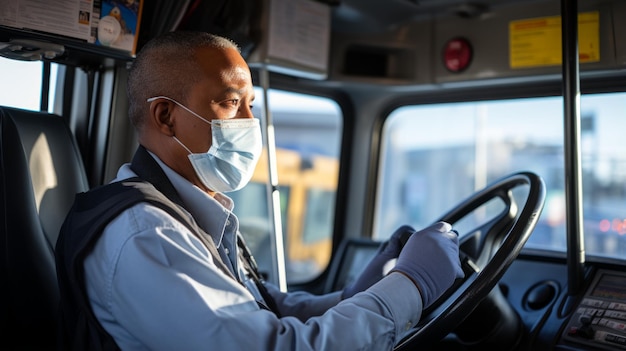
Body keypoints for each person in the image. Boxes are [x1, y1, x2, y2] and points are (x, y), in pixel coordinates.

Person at [55, 31, 464, 351]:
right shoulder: (146, 234)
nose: (251, 122)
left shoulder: (190, 214)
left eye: (252, 104)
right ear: (166, 117)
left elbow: (265, 310)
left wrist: (353, 295)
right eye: (232, 103)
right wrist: (411, 284)